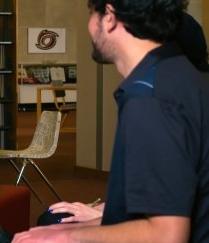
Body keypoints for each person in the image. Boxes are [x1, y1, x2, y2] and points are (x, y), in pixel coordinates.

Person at [13, 0, 209, 242]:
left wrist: (69, 236)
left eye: (90, 14)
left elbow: (166, 235)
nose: (89, 26)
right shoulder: (177, 72)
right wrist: (104, 212)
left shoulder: (148, 98)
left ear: (109, 16)